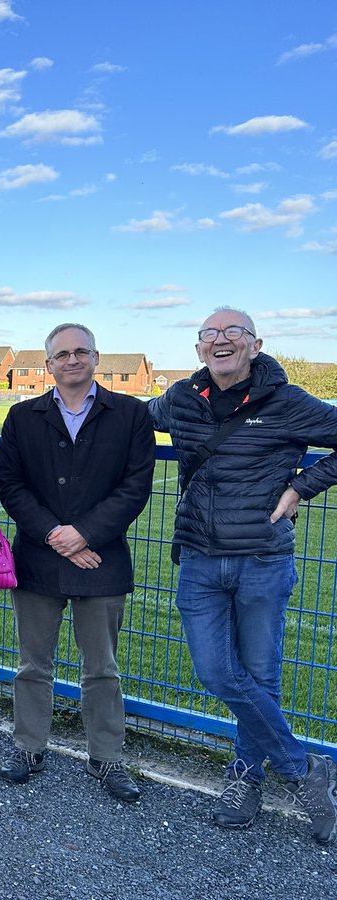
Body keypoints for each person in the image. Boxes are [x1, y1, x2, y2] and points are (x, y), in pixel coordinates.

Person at [149, 307, 337, 841]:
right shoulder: (181, 398)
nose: (221, 340)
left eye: (234, 332)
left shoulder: (287, 400)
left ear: (255, 345)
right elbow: (129, 423)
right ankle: (306, 770)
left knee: (260, 674)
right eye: (210, 334)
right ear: (199, 349)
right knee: (215, 672)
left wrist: (302, 486)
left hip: (262, 559)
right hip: (200, 560)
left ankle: (247, 776)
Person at [0, 323, 154, 802]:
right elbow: (11, 486)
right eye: (61, 354)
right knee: (32, 666)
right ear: (48, 365)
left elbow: (135, 487)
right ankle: (29, 747)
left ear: (96, 358)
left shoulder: (130, 414)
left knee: (102, 668)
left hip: (100, 560)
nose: (71, 360)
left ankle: (107, 759)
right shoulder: (23, 417)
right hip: (38, 561)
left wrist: (84, 534)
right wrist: (54, 536)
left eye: (80, 351)